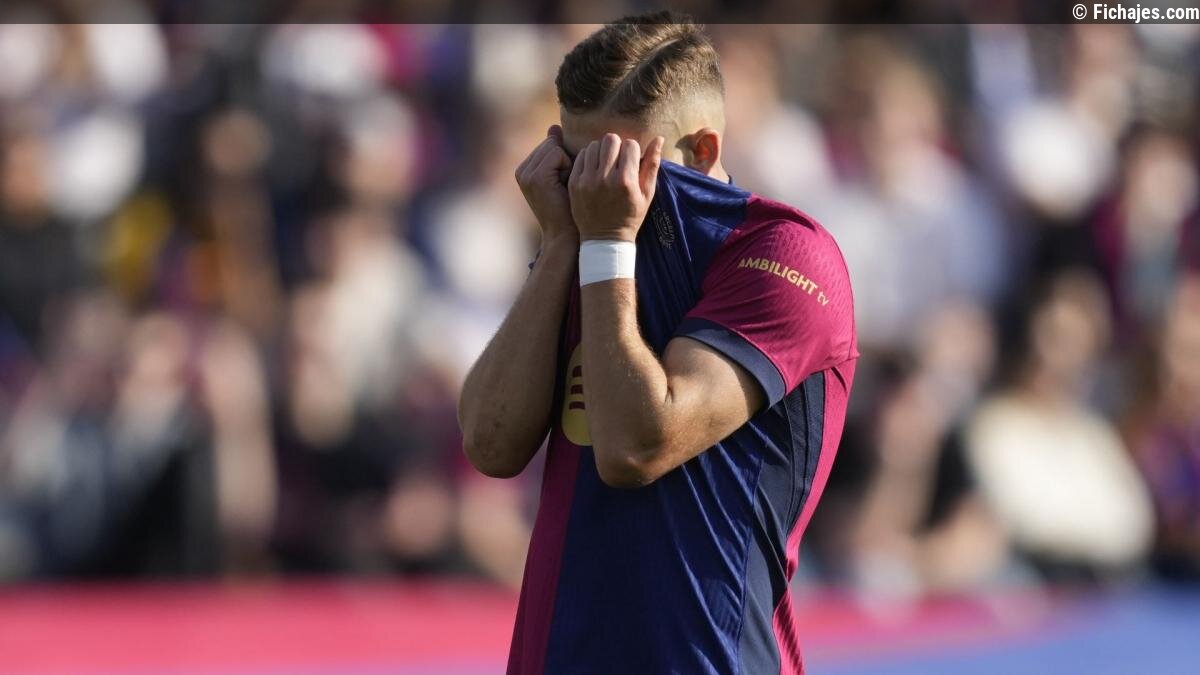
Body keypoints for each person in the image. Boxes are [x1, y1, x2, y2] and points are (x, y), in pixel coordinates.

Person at [457, 13, 858, 675]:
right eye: (574, 163)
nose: (590, 188)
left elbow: (636, 446)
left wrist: (605, 245)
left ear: (700, 150)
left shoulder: (781, 256)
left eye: (616, 165)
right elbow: (490, 442)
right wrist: (559, 245)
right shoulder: (585, 244)